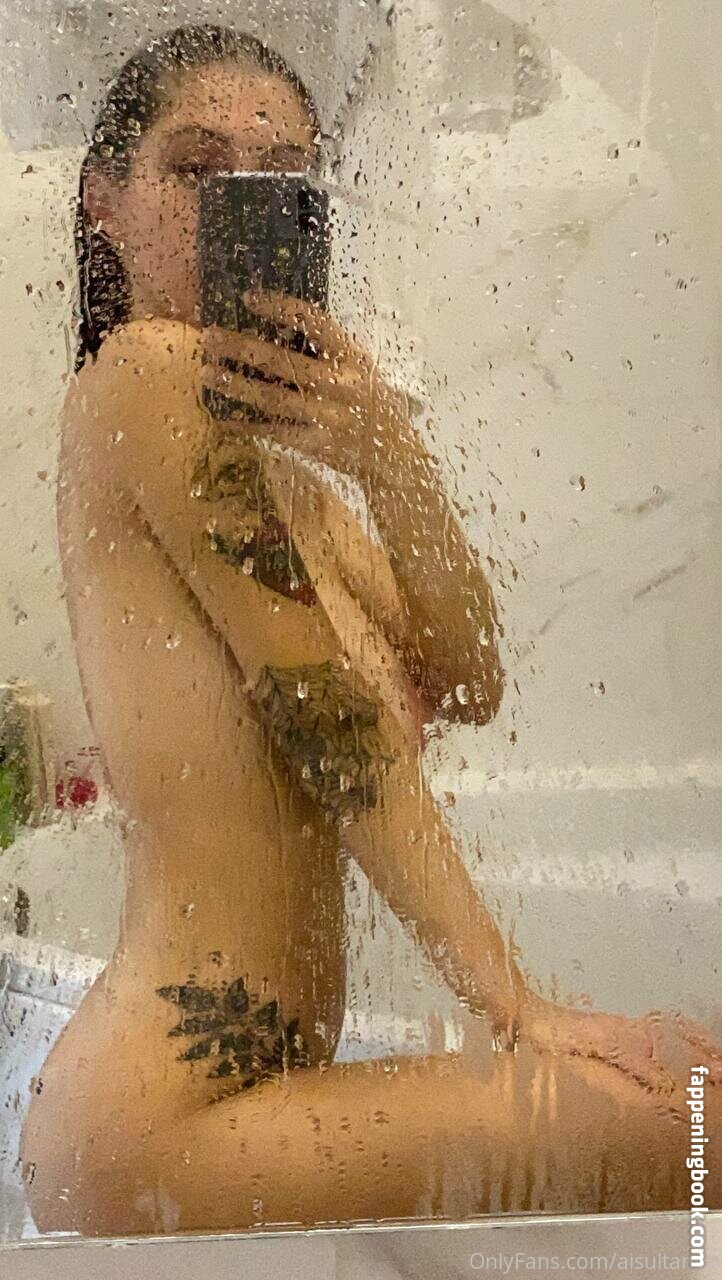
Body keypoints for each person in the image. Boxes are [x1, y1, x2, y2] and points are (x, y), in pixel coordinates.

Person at [21, 25, 721, 1235]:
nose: (235, 204)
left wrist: (389, 456)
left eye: (279, 176)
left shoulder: (292, 486)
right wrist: (516, 1006)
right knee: (698, 1124)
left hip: (241, 1099)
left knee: (694, 1086)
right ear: (104, 202)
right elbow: (325, 711)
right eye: (195, 168)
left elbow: (463, 677)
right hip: (157, 1123)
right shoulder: (145, 373)